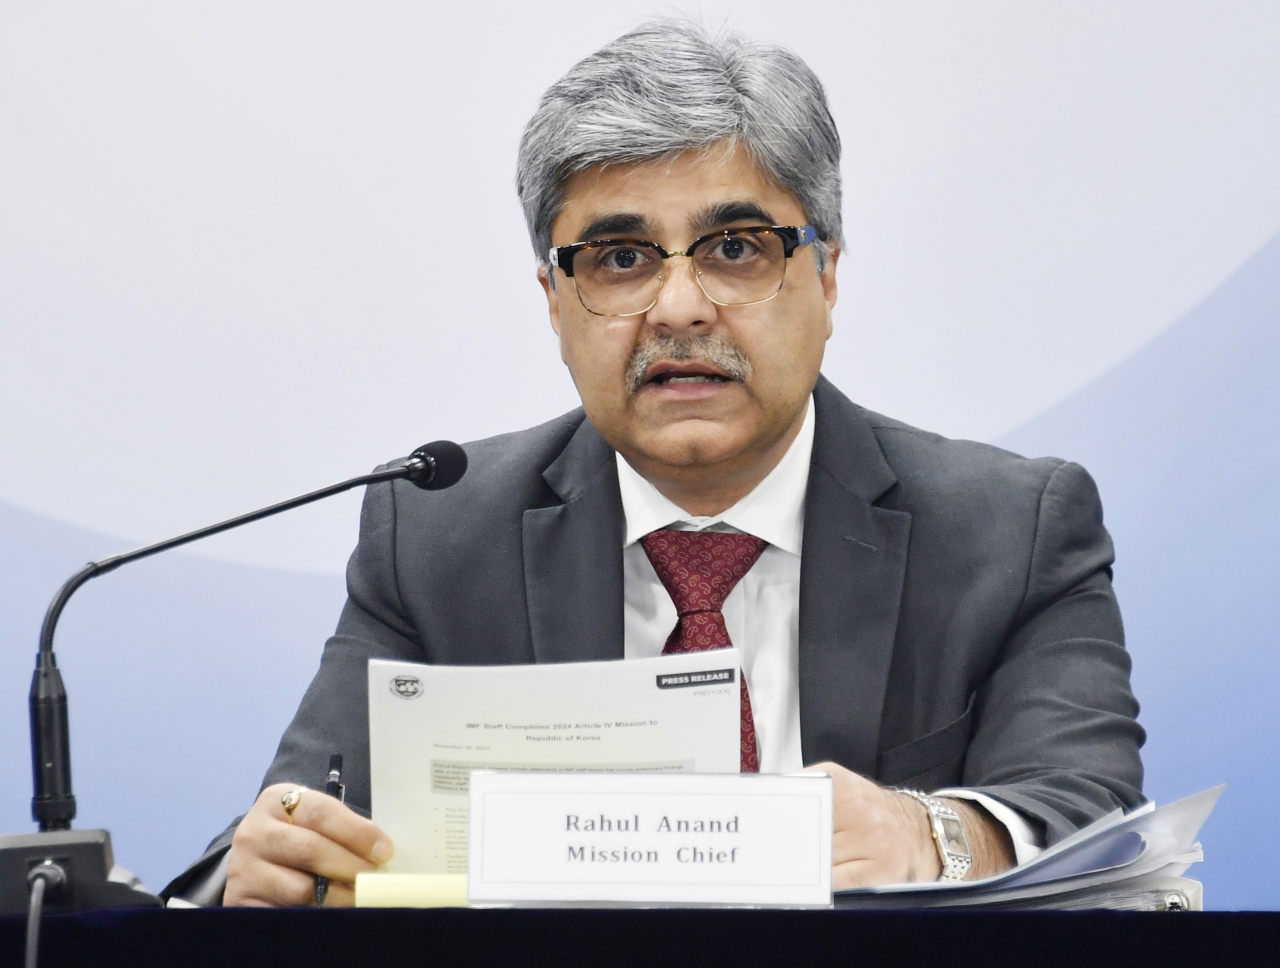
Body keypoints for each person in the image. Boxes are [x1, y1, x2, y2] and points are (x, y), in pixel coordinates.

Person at [165, 18, 1144, 907]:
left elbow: (1090, 818)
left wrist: (928, 833)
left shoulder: (1008, 529)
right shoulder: (432, 536)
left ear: (825, 273)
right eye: (621, 259)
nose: (677, 308)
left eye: (733, 246)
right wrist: (250, 883)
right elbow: (288, 831)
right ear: (554, 299)